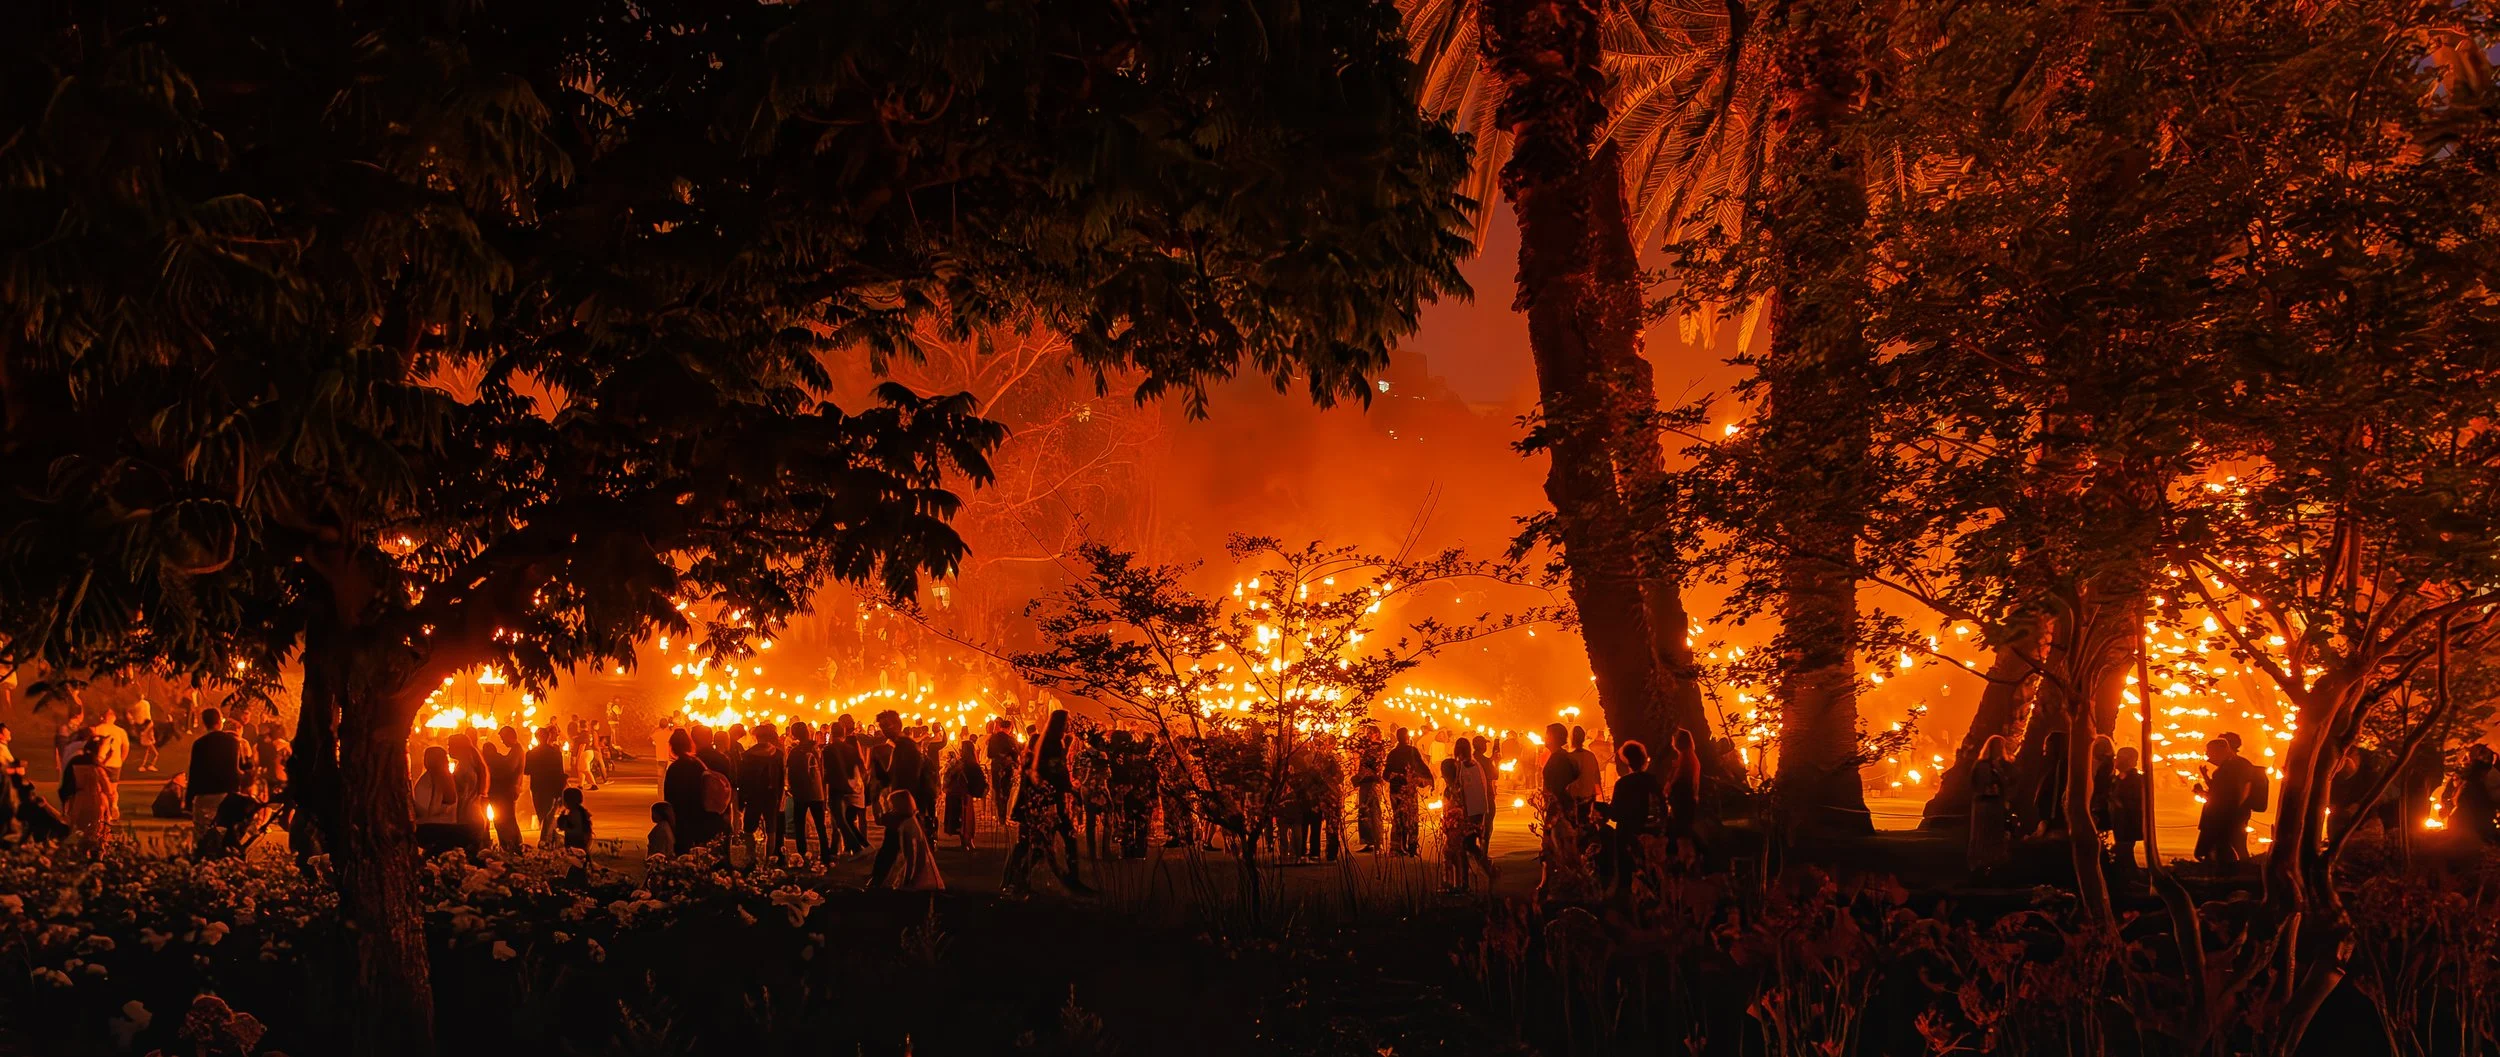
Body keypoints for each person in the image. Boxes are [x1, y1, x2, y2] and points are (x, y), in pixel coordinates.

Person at [1002, 710, 1093, 897]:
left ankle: (1022, 880)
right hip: (1049, 803)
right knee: (1041, 844)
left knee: (1046, 843)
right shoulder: (1050, 746)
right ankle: (1020, 881)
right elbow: (1055, 772)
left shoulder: (1050, 745)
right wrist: (1069, 788)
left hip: (1049, 802)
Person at [868, 711, 926, 887]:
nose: (884, 730)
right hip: (902, 803)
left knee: (895, 845)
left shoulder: (906, 746)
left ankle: (879, 881)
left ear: (897, 724)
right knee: (898, 846)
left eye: (887, 725)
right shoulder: (898, 747)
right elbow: (890, 777)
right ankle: (899, 881)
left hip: (906, 804)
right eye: (882, 726)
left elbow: (911, 777)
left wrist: (907, 803)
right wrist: (878, 768)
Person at [185, 708, 252, 849]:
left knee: (201, 830)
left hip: (205, 793)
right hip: (227, 792)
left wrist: (188, 799)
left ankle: (202, 857)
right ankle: (225, 854)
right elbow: (239, 767)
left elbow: (194, 772)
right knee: (226, 828)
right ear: (219, 721)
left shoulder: (199, 744)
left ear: (205, 723)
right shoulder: (233, 742)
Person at [2196, 737, 2263, 868]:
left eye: (2210, 752)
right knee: (2223, 845)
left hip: (2229, 815)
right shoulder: (2228, 766)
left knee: (2232, 845)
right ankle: (2228, 870)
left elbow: (2239, 790)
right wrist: (2206, 780)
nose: (2208, 756)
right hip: (2223, 814)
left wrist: (2233, 811)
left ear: (2223, 749)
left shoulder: (2237, 766)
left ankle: (2237, 871)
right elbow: (2219, 791)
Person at [1606, 741, 1664, 890]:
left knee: (1626, 874)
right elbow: (1661, 805)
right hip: (1649, 832)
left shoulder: (1623, 783)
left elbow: (1615, 813)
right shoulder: (1652, 780)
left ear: (1626, 760)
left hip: (1627, 833)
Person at [662, 728, 730, 850]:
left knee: (683, 853)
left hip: (682, 817)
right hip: (701, 814)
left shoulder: (674, 768)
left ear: (672, 747)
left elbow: (669, 796)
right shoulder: (698, 764)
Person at [872, 789, 945, 890]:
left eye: (891, 804)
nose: (890, 807)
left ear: (898, 805)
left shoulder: (904, 823)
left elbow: (911, 854)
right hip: (919, 866)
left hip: (917, 873)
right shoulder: (913, 819)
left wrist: (908, 878)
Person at [1449, 737, 1497, 890]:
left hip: (1469, 810)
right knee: (1470, 843)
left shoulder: (1462, 766)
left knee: (1465, 844)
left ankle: (1466, 881)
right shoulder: (1476, 765)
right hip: (1479, 809)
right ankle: (1485, 869)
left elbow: (1460, 788)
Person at [738, 722, 789, 862]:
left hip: (754, 795)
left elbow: (743, 778)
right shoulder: (777, 754)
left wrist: (741, 798)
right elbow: (780, 776)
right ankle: (769, 859)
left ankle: (751, 855)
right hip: (772, 795)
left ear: (756, 737)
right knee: (771, 827)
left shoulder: (748, 755)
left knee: (749, 827)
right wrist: (780, 796)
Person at [786, 721, 832, 863]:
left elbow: (791, 773)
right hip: (817, 791)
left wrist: (792, 789)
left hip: (801, 793)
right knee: (820, 825)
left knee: (800, 825)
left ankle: (802, 854)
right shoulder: (817, 749)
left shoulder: (794, 752)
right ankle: (825, 854)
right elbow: (823, 771)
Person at [1969, 735, 2013, 878]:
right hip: (1985, 807)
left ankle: (1994, 867)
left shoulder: (1999, 766)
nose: (2001, 750)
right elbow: (1981, 785)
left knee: (1995, 837)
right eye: (1998, 747)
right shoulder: (1983, 765)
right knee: (1983, 836)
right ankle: (1980, 867)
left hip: (1996, 808)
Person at [411, 746, 467, 857]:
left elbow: (430, 808)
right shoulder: (447, 777)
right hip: (447, 824)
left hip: (431, 826)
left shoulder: (432, 778)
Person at [825, 715, 869, 855]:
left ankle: (856, 848)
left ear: (831, 734)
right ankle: (862, 846)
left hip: (836, 786)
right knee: (848, 820)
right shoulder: (850, 749)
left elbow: (827, 770)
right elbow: (859, 764)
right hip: (851, 785)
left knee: (839, 820)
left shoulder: (829, 749)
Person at [1385, 727, 1431, 856]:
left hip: (1395, 791)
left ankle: (1397, 847)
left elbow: (1386, 774)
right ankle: (1411, 847)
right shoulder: (1412, 751)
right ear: (1406, 738)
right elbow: (1421, 766)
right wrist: (1424, 779)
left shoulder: (1392, 754)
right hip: (1408, 791)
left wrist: (1396, 777)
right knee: (1411, 818)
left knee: (1398, 818)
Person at [61, 741, 115, 849]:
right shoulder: (96, 769)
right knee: (97, 830)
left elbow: (67, 786)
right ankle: (96, 853)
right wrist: (112, 803)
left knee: (80, 830)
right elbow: (108, 789)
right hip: (96, 801)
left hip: (79, 801)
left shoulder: (74, 765)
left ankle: (81, 852)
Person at [2442, 744, 2498, 845]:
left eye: (2467, 757)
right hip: (2464, 826)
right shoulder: (2464, 777)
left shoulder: (2490, 776)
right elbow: (2449, 795)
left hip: (2475, 826)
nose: (2463, 760)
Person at [944, 733, 988, 852]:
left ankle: (965, 841)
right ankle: (967, 841)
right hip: (963, 796)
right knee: (966, 820)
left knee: (962, 819)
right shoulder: (967, 764)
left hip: (958, 796)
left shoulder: (961, 764)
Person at [485, 726, 526, 852]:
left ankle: (513, 845)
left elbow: (509, 768)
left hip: (506, 792)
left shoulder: (517, 750)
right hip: (507, 790)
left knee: (506, 819)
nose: (502, 741)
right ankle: (512, 845)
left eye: (503, 738)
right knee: (506, 819)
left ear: (510, 736)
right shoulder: (515, 750)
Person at [1665, 728, 1705, 858]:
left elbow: (1679, 782)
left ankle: (1686, 864)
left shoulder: (1686, 759)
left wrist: (1668, 790)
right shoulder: (1689, 757)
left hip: (1683, 805)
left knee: (1683, 838)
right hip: (1686, 803)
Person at [526, 725, 569, 846]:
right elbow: (560, 771)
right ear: (547, 737)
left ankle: (544, 839)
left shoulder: (531, 753)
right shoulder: (555, 752)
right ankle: (549, 838)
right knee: (548, 814)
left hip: (537, 787)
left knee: (543, 814)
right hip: (551, 786)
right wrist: (561, 790)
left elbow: (526, 770)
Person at [446, 731, 489, 851]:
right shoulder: (470, 765)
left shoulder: (464, 769)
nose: (448, 749)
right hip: (474, 815)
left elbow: (459, 795)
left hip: (467, 818)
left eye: (450, 745)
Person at [2109, 746, 2147, 872]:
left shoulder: (2135, 779)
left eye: (2120, 758)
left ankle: (2129, 875)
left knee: (2125, 848)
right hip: (2119, 820)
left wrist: (2117, 801)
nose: (2116, 760)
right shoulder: (2116, 778)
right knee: (2123, 849)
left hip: (2129, 820)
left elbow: (2132, 801)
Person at [1352, 723, 1386, 853]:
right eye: (1367, 733)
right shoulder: (1367, 748)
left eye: (1370, 733)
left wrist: (1359, 777)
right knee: (1364, 811)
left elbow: (1373, 767)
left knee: (1374, 811)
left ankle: (1378, 842)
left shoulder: (1377, 748)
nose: (1368, 735)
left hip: (1372, 783)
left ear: (1377, 734)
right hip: (1365, 783)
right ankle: (1368, 841)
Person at [2031, 730, 2069, 837]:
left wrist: (2051, 818)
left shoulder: (2061, 768)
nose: (2045, 749)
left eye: (2047, 745)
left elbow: (2056, 794)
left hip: (2054, 824)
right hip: (2050, 822)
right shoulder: (2053, 767)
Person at [1540, 722, 1578, 826]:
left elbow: (1560, 785)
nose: (1544, 737)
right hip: (1555, 806)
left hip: (1559, 809)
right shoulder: (1556, 756)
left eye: (1547, 735)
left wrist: (1554, 804)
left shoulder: (1560, 758)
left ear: (1554, 737)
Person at [984, 719, 1020, 826]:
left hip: (995, 767)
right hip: (1006, 768)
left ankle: (1000, 816)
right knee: (1006, 791)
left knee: (997, 791)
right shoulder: (1010, 740)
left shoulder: (992, 739)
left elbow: (989, 754)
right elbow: (1015, 754)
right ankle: (1005, 816)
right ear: (1009, 728)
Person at [1566, 726, 1602, 827]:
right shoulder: (1590, 756)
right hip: (1589, 797)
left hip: (1573, 800)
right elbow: (1597, 778)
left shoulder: (1569, 757)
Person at [89, 708, 130, 782]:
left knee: (99, 788)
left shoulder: (96, 729)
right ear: (114, 718)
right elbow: (125, 747)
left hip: (99, 764)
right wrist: (121, 760)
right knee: (113, 790)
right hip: (115, 763)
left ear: (102, 717)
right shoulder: (120, 731)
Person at [555, 787, 594, 852]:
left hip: (576, 842)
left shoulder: (575, 814)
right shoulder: (580, 811)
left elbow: (567, 827)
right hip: (581, 840)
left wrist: (562, 818)